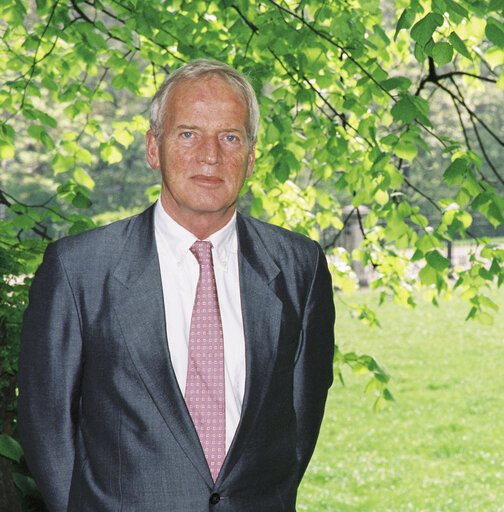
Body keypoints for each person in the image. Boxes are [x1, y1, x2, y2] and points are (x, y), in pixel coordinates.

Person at [17, 59, 335, 511]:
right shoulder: (79, 269)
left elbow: (299, 423)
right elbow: (47, 424)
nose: (211, 155)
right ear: (153, 147)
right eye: (188, 134)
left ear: (251, 154)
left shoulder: (300, 267)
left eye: (230, 136)